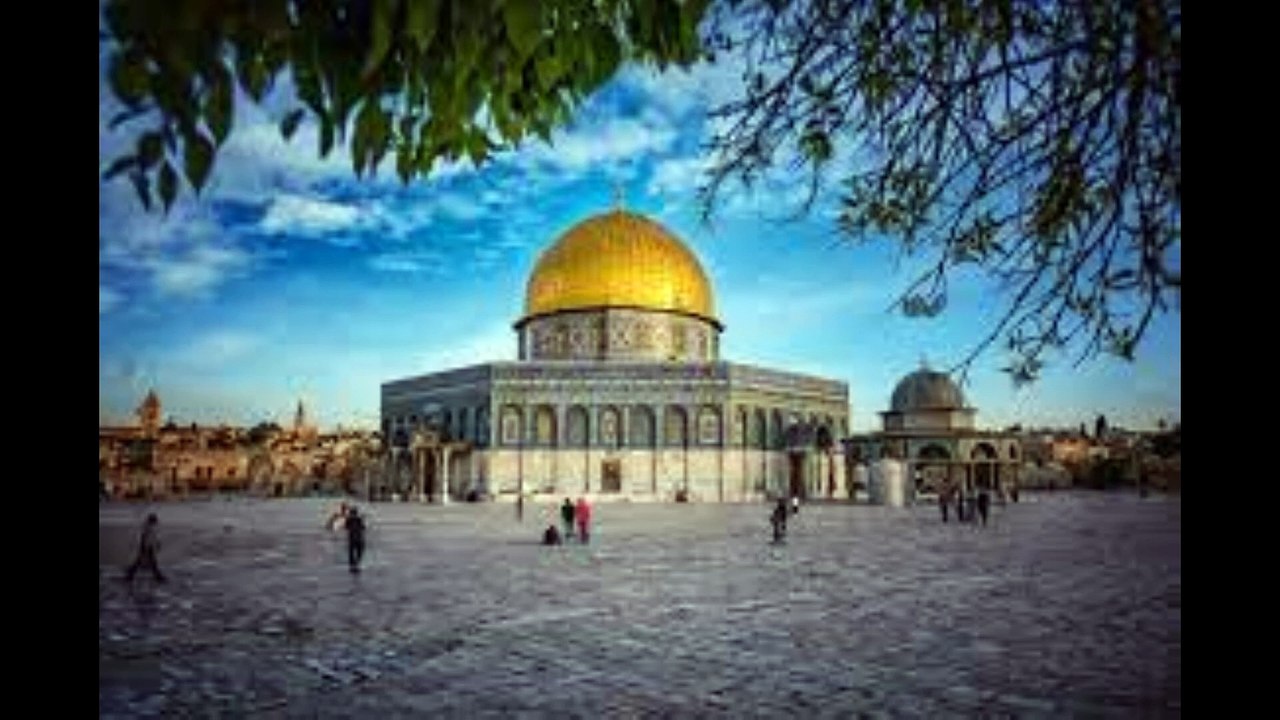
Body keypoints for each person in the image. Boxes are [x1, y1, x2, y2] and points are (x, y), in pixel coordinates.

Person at [125, 513, 166, 583]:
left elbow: (152, 538)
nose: (156, 523)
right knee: (147, 562)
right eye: (155, 522)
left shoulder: (148, 527)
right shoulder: (148, 528)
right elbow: (146, 538)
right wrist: (154, 545)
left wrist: (157, 544)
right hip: (146, 547)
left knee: (144, 562)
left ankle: (130, 574)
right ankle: (158, 577)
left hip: (148, 546)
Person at [345, 506, 367, 573]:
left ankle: (352, 564)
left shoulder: (349, 519)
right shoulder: (359, 519)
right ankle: (357, 563)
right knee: (359, 552)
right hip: (359, 538)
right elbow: (363, 527)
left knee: (351, 553)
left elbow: (346, 527)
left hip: (352, 538)